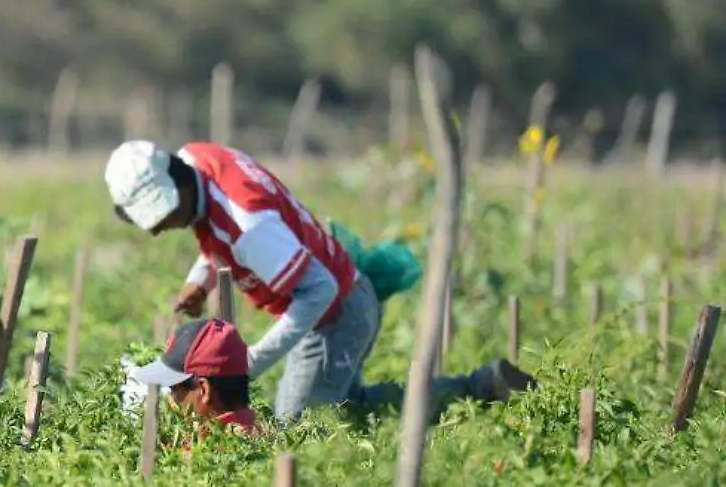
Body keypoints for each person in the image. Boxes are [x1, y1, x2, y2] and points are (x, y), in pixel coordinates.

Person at [104, 139, 534, 425]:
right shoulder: (198, 161)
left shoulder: (251, 228)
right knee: (346, 408)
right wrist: (201, 280)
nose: (159, 230)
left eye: (162, 217)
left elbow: (319, 290)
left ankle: (477, 391)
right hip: (344, 293)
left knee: (296, 428)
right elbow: (212, 228)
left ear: (177, 184)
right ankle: (482, 387)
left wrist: (251, 361)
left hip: (335, 315)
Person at [130, 317, 264, 437]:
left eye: (174, 390)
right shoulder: (265, 436)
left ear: (204, 390)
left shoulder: (204, 456)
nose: (171, 400)